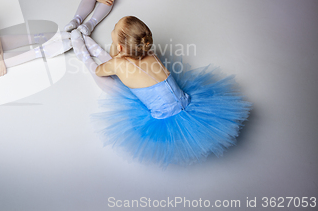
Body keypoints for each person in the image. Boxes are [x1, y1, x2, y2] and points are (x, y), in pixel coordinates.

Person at [71, 17, 251, 167]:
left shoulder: (118, 62)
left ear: (119, 47)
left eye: (114, 28)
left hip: (163, 117)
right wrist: (118, 52)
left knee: (106, 79)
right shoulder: (150, 53)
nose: (113, 28)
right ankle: (90, 44)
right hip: (187, 103)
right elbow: (119, 57)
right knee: (118, 68)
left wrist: (111, 55)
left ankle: (84, 56)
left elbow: (101, 70)